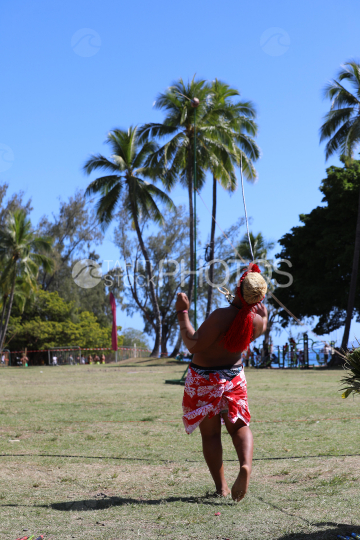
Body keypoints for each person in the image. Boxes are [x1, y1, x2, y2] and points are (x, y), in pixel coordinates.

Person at [176, 263, 268, 502]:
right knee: (239, 427)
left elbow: (193, 344)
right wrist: (263, 312)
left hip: (204, 379)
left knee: (211, 436)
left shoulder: (221, 316)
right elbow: (262, 321)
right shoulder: (257, 320)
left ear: (238, 290)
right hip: (234, 377)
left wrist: (182, 313)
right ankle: (245, 465)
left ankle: (222, 488)